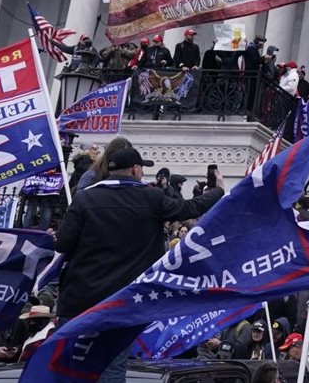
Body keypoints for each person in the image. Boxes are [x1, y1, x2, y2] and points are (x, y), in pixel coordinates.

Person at [54, 145, 223, 383]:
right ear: (135, 170)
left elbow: (62, 243)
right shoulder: (151, 197)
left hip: (79, 299)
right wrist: (216, 190)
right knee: (111, 367)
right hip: (122, 301)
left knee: (72, 368)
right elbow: (190, 208)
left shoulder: (86, 197)